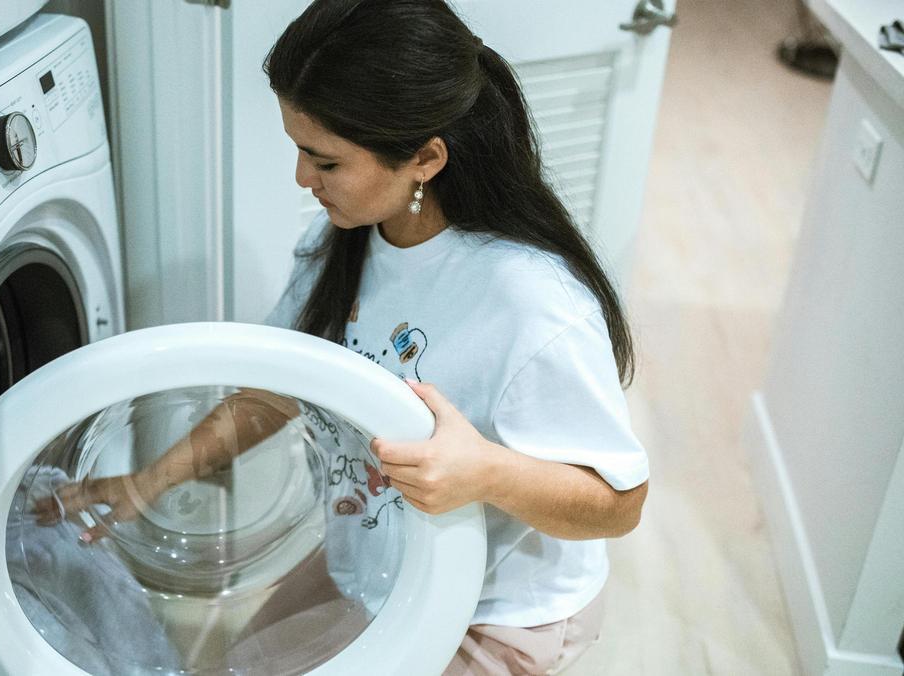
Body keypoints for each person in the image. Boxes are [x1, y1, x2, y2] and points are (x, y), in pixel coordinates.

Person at [39, 1, 649, 673]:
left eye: (325, 161)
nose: (303, 179)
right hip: (375, 560)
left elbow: (619, 504)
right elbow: (276, 395)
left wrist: (487, 472)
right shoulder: (344, 243)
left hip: (496, 606)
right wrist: (146, 484)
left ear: (425, 158)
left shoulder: (531, 302)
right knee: (239, 665)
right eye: (300, 151)